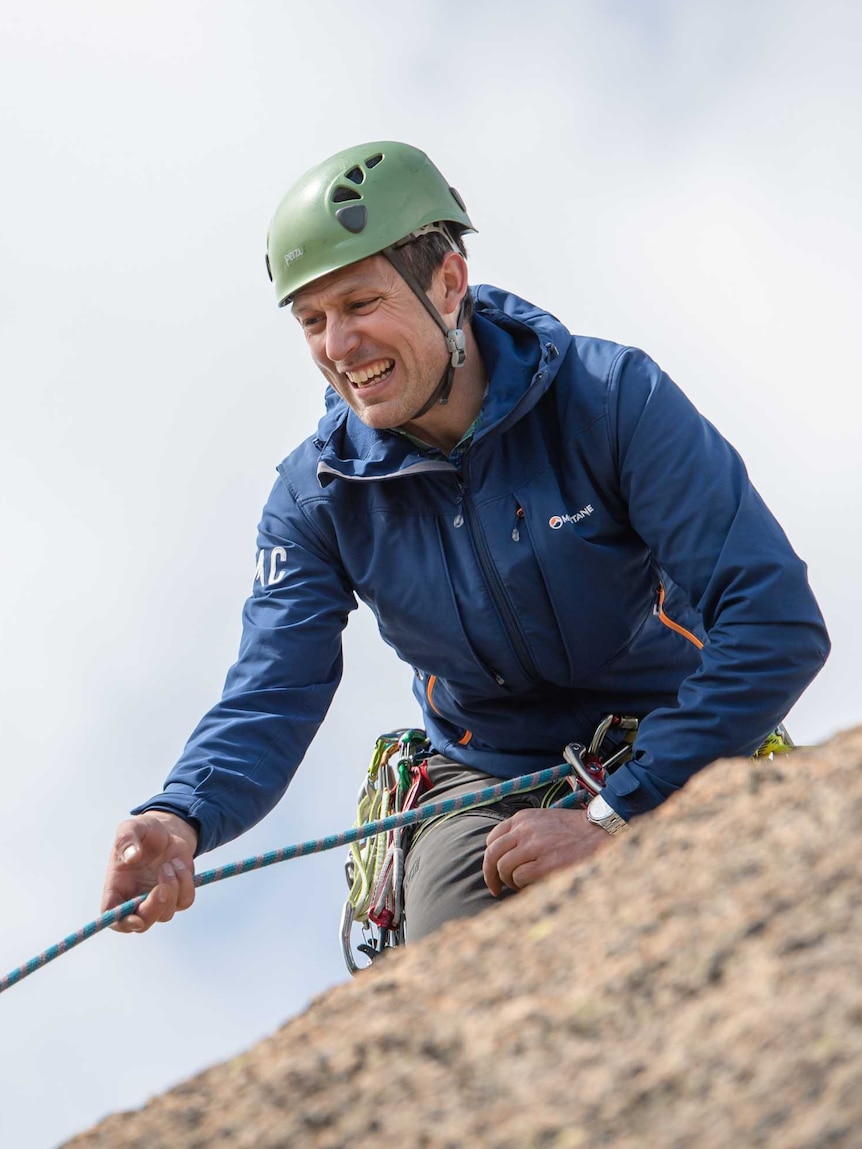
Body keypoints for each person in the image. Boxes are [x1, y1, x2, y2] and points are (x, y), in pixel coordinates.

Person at [102, 141, 830, 942]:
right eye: (313, 320)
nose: (338, 347)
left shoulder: (612, 399)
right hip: (479, 779)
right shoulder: (316, 498)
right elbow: (275, 684)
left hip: (669, 725)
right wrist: (180, 814)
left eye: (361, 304)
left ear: (449, 283)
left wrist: (620, 811)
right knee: (455, 970)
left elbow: (774, 620)